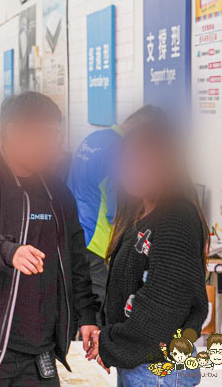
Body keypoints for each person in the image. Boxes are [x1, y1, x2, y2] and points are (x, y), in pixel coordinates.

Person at [0, 92, 99, 386]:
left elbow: (76, 260)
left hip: (38, 350)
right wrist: (7, 251)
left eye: (55, 134)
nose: (52, 144)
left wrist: (87, 315)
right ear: (13, 132)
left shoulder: (58, 194)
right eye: (44, 134)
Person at [85, 112, 208, 386]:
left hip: (159, 370)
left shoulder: (176, 220)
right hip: (140, 365)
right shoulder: (140, 215)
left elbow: (161, 309)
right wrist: (111, 341)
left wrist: (111, 344)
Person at [66, 107, 152, 304]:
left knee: (82, 299)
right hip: (98, 241)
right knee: (99, 303)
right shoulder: (119, 148)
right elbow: (117, 207)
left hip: (76, 230)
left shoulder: (94, 137)